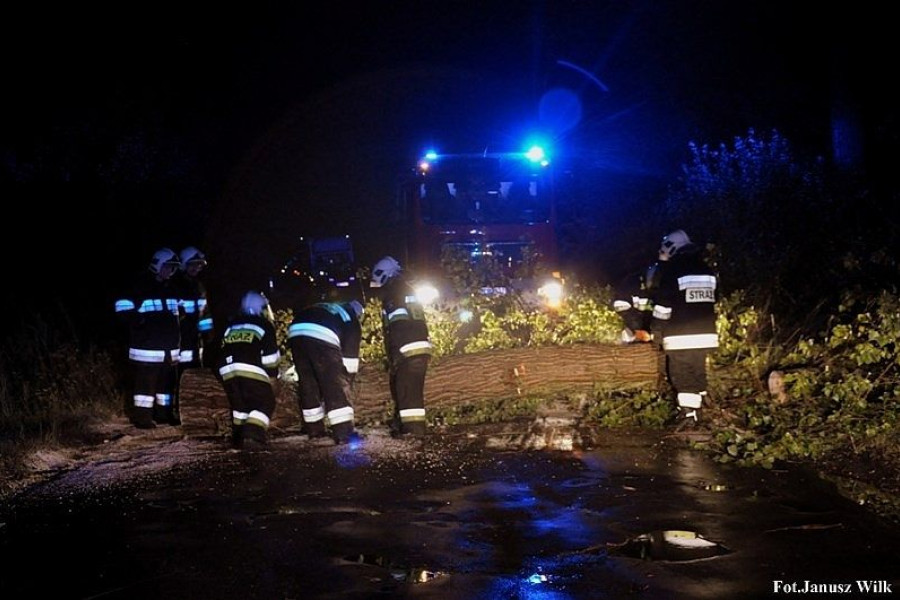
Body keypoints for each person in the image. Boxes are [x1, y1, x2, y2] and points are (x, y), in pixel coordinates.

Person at [648, 229, 719, 429]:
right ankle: (702, 406)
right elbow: (714, 299)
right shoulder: (706, 269)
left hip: (681, 334)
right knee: (697, 370)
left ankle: (689, 416)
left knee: (681, 374)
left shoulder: (673, 271)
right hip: (706, 332)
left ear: (671, 248)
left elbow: (663, 306)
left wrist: (657, 329)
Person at [114, 248, 183, 429]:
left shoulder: (172, 288)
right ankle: (142, 418)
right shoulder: (139, 285)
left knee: (166, 386)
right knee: (145, 386)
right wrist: (139, 320)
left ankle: (164, 414)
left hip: (168, 348)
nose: (170, 271)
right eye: (167, 267)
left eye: (173, 268)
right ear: (157, 265)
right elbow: (122, 307)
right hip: (147, 348)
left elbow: (180, 310)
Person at [369, 256, 433, 437]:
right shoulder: (407, 288)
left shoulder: (394, 293)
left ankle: (413, 432)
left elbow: (397, 322)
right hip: (420, 345)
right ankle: (404, 426)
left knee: (407, 391)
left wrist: (395, 351)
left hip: (407, 347)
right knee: (408, 389)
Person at [287, 299, 364, 444]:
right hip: (322, 333)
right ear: (357, 313)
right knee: (334, 385)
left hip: (295, 331)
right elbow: (349, 360)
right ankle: (344, 433)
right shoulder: (351, 319)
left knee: (308, 383)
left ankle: (314, 431)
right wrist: (347, 381)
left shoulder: (331, 308)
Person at [217, 291, 281, 449]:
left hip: (227, 369)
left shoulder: (233, 324)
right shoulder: (263, 324)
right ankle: (253, 434)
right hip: (249, 367)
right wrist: (273, 376)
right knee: (265, 402)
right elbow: (271, 358)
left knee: (241, 406)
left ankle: (239, 437)